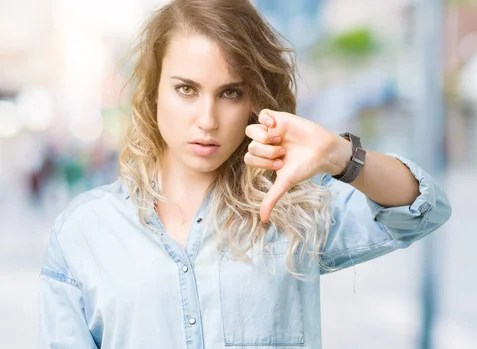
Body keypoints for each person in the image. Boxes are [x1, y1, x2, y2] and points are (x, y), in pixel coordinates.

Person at [37, 0, 452, 348]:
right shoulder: (84, 232)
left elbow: (425, 209)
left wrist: (341, 155)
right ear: (153, 91)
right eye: (186, 89)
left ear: (253, 100)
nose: (207, 120)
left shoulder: (292, 212)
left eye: (230, 93)